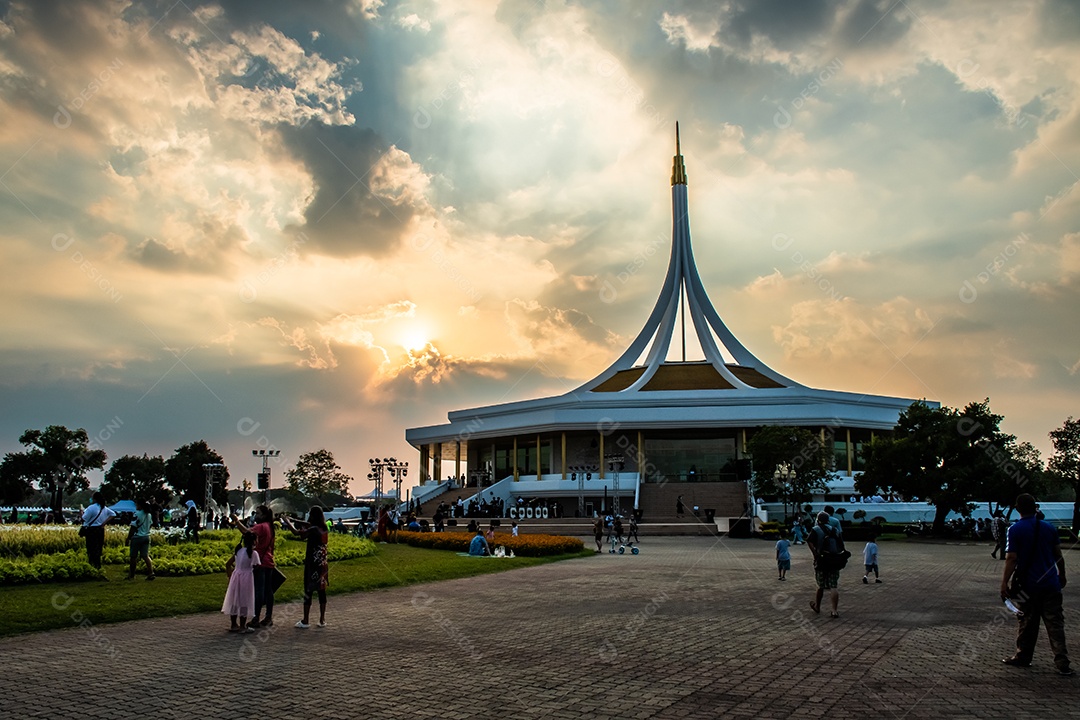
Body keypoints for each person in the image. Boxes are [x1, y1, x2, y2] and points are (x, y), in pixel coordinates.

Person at [1000, 493, 1072, 675]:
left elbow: (1012, 558)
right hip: (1050, 584)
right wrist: (1061, 575)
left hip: (1028, 586)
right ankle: (1062, 661)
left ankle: (1023, 656)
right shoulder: (1049, 529)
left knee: (1027, 622)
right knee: (1055, 623)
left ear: (1017, 509)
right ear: (1035, 508)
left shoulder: (1015, 530)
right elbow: (1058, 555)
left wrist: (1004, 583)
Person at [232, 505, 277, 628]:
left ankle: (256, 617)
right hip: (268, 561)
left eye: (257, 513)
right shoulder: (270, 527)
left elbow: (247, 533)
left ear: (263, 515)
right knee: (268, 591)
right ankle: (268, 617)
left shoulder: (261, 527)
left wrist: (236, 521)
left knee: (259, 591)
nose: (255, 515)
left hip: (259, 562)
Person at [284, 508, 330, 629]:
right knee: (321, 591)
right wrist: (294, 519)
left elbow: (297, 533)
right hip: (323, 564)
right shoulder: (323, 528)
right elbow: (309, 525)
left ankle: (305, 620)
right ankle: (322, 619)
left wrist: (287, 522)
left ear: (313, 516)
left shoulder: (313, 529)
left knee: (308, 590)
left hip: (312, 564)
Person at [807, 511, 845, 618]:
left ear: (818, 520)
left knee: (820, 585)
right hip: (834, 560)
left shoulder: (816, 530)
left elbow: (809, 541)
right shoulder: (835, 530)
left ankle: (818, 606)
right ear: (828, 520)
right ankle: (834, 610)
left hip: (822, 560)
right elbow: (841, 545)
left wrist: (815, 554)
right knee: (834, 585)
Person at [223, 532, 260, 633]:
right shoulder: (253, 553)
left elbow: (228, 564)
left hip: (236, 576)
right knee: (244, 600)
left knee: (234, 599)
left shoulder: (238, 551)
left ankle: (234, 624)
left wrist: (230, 576)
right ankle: (243, 626)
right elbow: (257, 567)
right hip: (247, 577)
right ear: (253, 541)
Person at [80, 492, 116, 569]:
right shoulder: (104, 508)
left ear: (94, 499)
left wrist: (81, 512)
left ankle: (91, 564)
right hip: (100, 529)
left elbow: (84, 518)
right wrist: (104, 523)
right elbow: (113, 514)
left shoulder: (91, 508)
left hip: (91, 530)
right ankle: (98, 564)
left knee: (91, 547)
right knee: (98, 547)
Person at [127, 498, 155, 581]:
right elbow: (150, 525)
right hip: (146, 536)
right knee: (145, 556)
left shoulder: (137, 514)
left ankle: (132, 575)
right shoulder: (149, 515)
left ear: (140, 505)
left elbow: (133, 526)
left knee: (133, 557)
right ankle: (151, 573)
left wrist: (128, 538)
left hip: (137, 537)